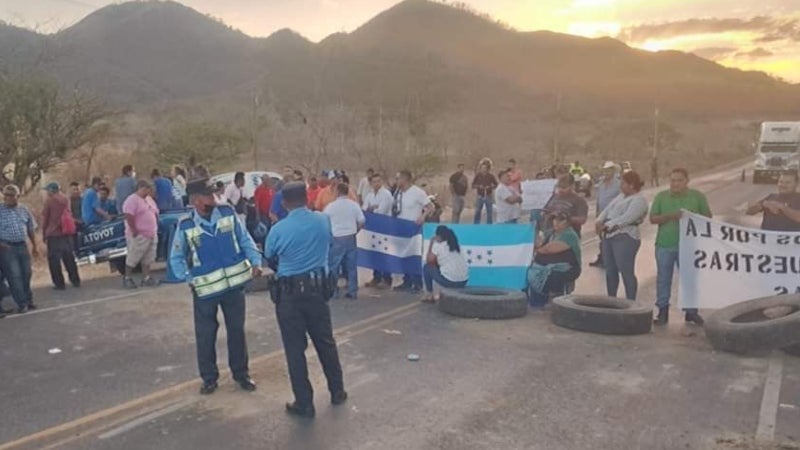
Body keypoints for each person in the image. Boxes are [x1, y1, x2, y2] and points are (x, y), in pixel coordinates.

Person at [168, 179, 262, 395]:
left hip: (234, 288)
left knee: (237, 332)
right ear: (195, 201)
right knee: (205, 335)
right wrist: (188, 278)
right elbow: (176, 258)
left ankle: (241, 373)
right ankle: (209, 378)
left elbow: (245, 239)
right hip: (206, 292)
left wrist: (255, 261)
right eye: (208, 196)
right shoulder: (186, 225)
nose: (214, 198)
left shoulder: (227, 213)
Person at [264, 182, 347, 418]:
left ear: (285, 203)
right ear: (306, 198)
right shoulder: (323, 220)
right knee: (325, 342)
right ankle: (337, 390)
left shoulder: (279, 229)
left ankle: (304, 403)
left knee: (295, 349)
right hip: (317, 290)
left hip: (290, 294)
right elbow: (329, 244)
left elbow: (270, 257)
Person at [649, 168, 711, 326]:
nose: (675, 183)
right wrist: (671, 216)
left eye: (679, 180)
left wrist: (692, 217)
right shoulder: (662, 197)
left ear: (687, 181)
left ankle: (691, 311)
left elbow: (708, 217)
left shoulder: (697, 197)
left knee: (689, 280)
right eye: (672, 180)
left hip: (689, 246)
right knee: (663, 279)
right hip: (665, 244)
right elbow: (653, 218)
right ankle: (662, 311)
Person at [595, 171, 648, 301]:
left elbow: (628, 218)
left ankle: (631, 300)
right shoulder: (620, 197)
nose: (621, 186)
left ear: (631, 185)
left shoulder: (639, 200)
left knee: (626, 270)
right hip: (609, 236)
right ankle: (611, 298)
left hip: (625, 236)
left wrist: (608, 225)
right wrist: (599, 221)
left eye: (623, 183)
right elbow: (607, 209)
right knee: (610, 270)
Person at [392, 170, 433, 292]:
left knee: (414, 255)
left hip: (413, 227)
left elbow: (430, 206)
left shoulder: (417, 192)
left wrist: (423, 216)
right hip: (401, 227)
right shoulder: (398, 193)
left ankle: (417, 283)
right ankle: (407, 280)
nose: (397, 181)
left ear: (405, 179)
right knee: (403, 255)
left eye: (398, 178)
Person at [0, 185, 38, 313]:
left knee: (26, 274)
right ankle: (22, 303)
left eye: (11, 195)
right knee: (14, 276)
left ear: (18, 196)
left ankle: (29, 300)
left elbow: (31, 228)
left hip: (22, 245)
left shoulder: (23, 210)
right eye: (6, 195)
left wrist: (34, 246)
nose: (8, 198)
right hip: (7, 247)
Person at [528, 212, 582, 304]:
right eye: (555, 219)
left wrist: (535, 248)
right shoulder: (551, 233)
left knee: (553, 276)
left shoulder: (569, 235)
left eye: (561, 220)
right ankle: (538, 301)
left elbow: (548, 249)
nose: (556, 222)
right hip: (547, 265)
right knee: (531, 271)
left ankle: (556, 301)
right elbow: (539, 243)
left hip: (567, 268)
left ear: (567, 222)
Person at [324, 183, 366, 299]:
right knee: (351, 266)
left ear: (337, 192)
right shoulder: (353, 205)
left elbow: (324, 221)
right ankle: (353, 291)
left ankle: (333, 290)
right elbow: (362, 220)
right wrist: (356, 230)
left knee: (334, 266)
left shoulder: (331, 207)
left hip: (337, 237)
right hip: (350, 236)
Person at [41, 182, 81, 291]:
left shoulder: (49, 201)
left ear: (51, 190)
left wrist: (44, 233)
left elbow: (45, 219)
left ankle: (59, 283)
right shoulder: (65, 199)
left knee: (54, 261)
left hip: (53, 234)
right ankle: (75, 279)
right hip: (66, 232)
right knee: (69, 258)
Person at [122, 179, 161, 289]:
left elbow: (155, 212)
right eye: (148, 188)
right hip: (139, 234)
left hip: (151, 233)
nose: (150, 191)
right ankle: (127, 278)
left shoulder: (149, 199)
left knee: (148, 257)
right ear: (142, 188)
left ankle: (146, 277)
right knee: (133, 256)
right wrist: (134, 230)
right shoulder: (132, 200)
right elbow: (129, 215)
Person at [362, 173, 394, 288]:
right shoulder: (369, 195)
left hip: (384, 227)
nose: (377, 183)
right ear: (371, 183)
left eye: (379, 181)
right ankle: (376, 277)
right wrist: (371, 208)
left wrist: (372, 209)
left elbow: (381, 211)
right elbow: (364, 209)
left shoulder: (386, 194)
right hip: (372, 228)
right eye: (374, 181)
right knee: (374, 253)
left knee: (384, 253)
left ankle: (387, 278)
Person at [422, 225, 468, 303]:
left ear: (439, 236)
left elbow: (429, 261)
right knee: (439, 267)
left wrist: (431, 243)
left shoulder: (439, 246)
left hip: (451, 282)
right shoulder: (457, 246)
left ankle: (429, 295)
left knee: (427, 268)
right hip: (463, 281)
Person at [590, 161, 622, 267]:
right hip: (602, 214)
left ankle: (612, 259)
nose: (606, 172)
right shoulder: (601, 184)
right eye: (605, 170)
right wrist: (597, 214)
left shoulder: (618, 184)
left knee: (611, 238)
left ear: (613, 171)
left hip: (612, 215)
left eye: (609, 170)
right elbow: (599, 199)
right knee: (602, 237)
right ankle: (602, 258)